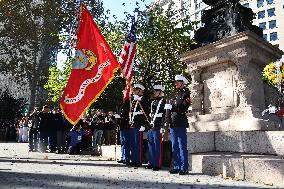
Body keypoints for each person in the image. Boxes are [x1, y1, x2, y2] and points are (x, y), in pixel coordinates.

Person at [165, 74, 191, 175]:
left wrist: (173, 106)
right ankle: (176, 166)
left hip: (180, 122)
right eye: (175, 82)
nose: (175, 83)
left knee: (182, 146)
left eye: (177, 82)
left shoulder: (186, 94)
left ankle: (184, 167)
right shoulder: (173, 95)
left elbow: (183, 108)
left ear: (182, 83)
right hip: (172, 123)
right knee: (174, 146)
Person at [129, 83, 150, 167]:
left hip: (139, 125)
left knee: (138, 143)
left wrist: (144, 124)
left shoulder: (144, 99)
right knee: (133, 143)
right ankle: (133, 159)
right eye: (134, 89)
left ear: (141, 90)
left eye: (136, 89)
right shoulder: (134, 100)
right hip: (133, 123)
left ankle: (138, 160)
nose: (135, 91)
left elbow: (146, 113)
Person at [146, 84, 166, 171]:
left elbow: (165, 115)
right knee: (150, 145)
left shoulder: (164, 102)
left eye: (156, 91)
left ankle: (157, 164)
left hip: (158, 126)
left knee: (157, 146)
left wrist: (163, 126)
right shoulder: (152, 102)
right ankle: (151, 162)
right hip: (151, 125)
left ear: (160, 92)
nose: (154, 93)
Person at [117, 99, 130, 165]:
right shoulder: (121, 105)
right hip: (121, 126)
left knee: (126, 142)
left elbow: (126, 116)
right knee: (122, 142)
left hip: (125, 126)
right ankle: (123, 157)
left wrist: (120, 117)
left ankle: (126, 158)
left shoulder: (127, 105)